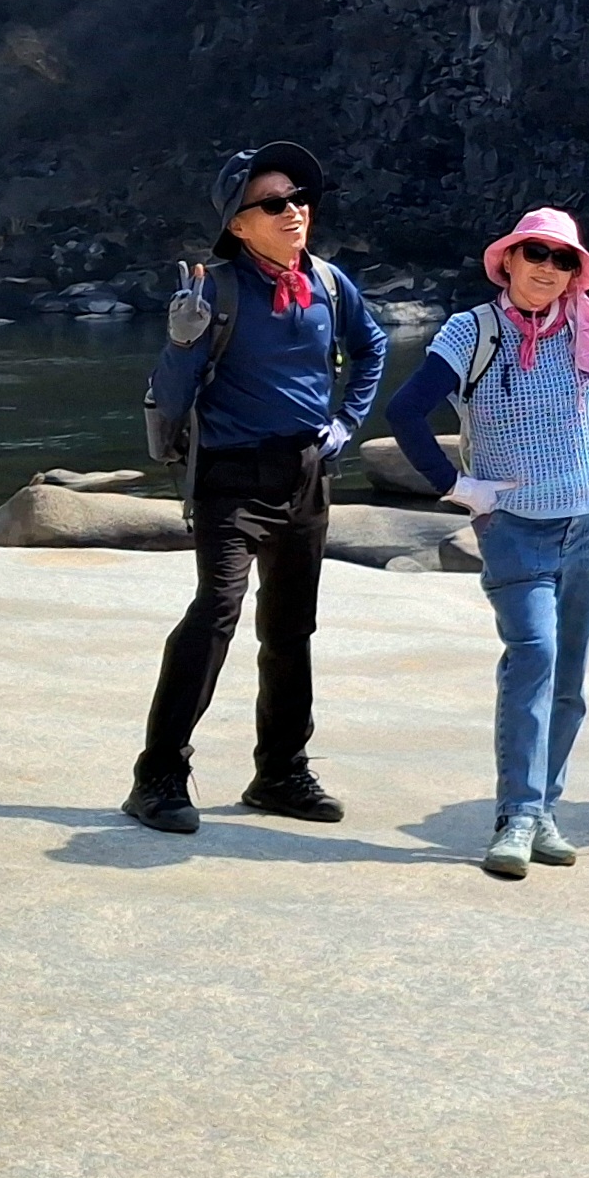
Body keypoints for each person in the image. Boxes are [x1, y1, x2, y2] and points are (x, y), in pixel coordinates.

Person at [383, 209, 589, 880]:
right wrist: (458, 487)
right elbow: (405, 411)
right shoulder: (471, 331)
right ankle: (515, 815)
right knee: (534, 654)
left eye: (563, 260)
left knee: (570, 679)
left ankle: (543, 811)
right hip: (514, 528)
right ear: (508, 259)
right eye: (536, 253)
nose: (548, 268)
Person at [123, 141, 384, 835]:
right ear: (238, 226)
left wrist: (345, 424)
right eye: (273, 203)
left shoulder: (328, 282)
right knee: (216, 611)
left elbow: (372, 347)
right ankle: (157, 777)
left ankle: (280, 773)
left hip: (306, 473)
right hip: (231, 476)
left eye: (298, 198)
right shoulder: (216, 289)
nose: (293, 210)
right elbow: (170, 395)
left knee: (292, 626)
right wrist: (182, 341)